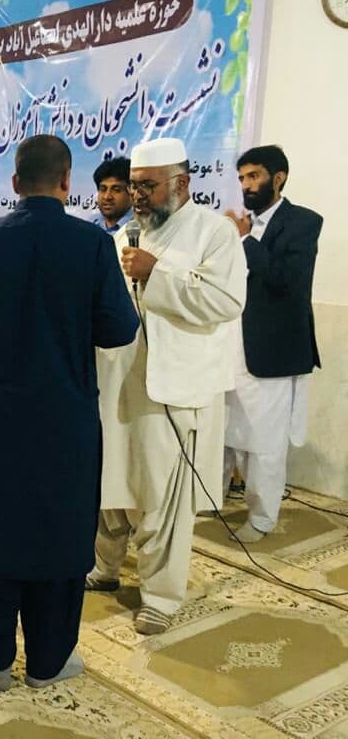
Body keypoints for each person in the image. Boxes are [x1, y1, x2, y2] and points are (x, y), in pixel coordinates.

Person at [0, 134, 139, 691]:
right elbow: (119, 330)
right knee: (59, 535)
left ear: (15, 183)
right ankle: (50, 662)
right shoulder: (92, 245)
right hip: (63, 422)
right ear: (68, 182)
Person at [87, 137, 247, 636]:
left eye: (147, 186)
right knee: (110, 483)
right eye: (133, 186)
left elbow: (226, 301)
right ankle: (105, 567)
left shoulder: (213, 233)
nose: (137, 195)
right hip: (119, 382)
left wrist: (157, 274)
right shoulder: (124, 236)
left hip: (172, 390)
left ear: (181, 183)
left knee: (161, 497)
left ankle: (160, 595)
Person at [222, 145, 322, 542]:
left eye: (254, 176)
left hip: (272, 354)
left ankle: (262, 517)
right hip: (233, 348)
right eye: (242, 178)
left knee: (265, 441)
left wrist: (246, 240)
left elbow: (288, 281)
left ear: (278, 178)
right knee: (229, 434)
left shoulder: (303, 222)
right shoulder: (239, 226)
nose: (246, 185)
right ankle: (215, 501)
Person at [92, 157, 132, 234]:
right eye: (103, 189)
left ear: (131, 192)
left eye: (116, 190)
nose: (107, 197)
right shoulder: (89, 226)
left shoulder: (142, 229)